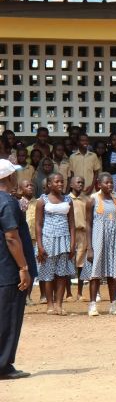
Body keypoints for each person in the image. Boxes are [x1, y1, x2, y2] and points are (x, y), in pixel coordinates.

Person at [0, 159, 37, 380]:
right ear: (9, 177)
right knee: (9, 317)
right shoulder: (8, 202)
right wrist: (23, 267)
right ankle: (3, 365)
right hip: (9, 268)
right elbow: (12, 237)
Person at [80, 173, 116, 316]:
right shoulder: (92, 200)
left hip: (114, 240)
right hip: (98, 239)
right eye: (107, 183)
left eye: (111, 182)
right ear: (99, 184)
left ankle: (113, 305)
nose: (110, 185)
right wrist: (89, 247)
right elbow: (88, 224)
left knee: (113, 273)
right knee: (95, 274)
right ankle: (93, 305)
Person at [35, 173, 75, 315]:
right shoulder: (42, 200)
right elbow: (38, 224)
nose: (60, 184)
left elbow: (72, 224)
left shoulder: (68, 200)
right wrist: (40, 246)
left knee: (62, 274)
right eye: (57, 181)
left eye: (62, 181)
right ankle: (50, 305)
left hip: (64, 240)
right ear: (49, 184)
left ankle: (59, 304)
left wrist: (72, 243)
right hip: (48, 239)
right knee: (48, 273)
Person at [68, 177, 90, 302]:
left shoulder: (86, 200)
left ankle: (80, 293)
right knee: (67, 261)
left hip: (83, 233)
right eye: (78, 182)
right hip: (69, 233)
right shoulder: (66, 199)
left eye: (82, 182)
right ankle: (68, 293)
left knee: (81, 263)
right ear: (71, 185)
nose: (80, 184)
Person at [18, 180, 38, 305]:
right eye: (27, 186)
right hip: (21, 240)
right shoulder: (17, 202)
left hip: (35, 239)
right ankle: (20, 296)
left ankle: (28, 297)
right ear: (21, 189)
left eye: (31, 185)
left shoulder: (39, 203)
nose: (30, 187)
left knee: (32, 269)